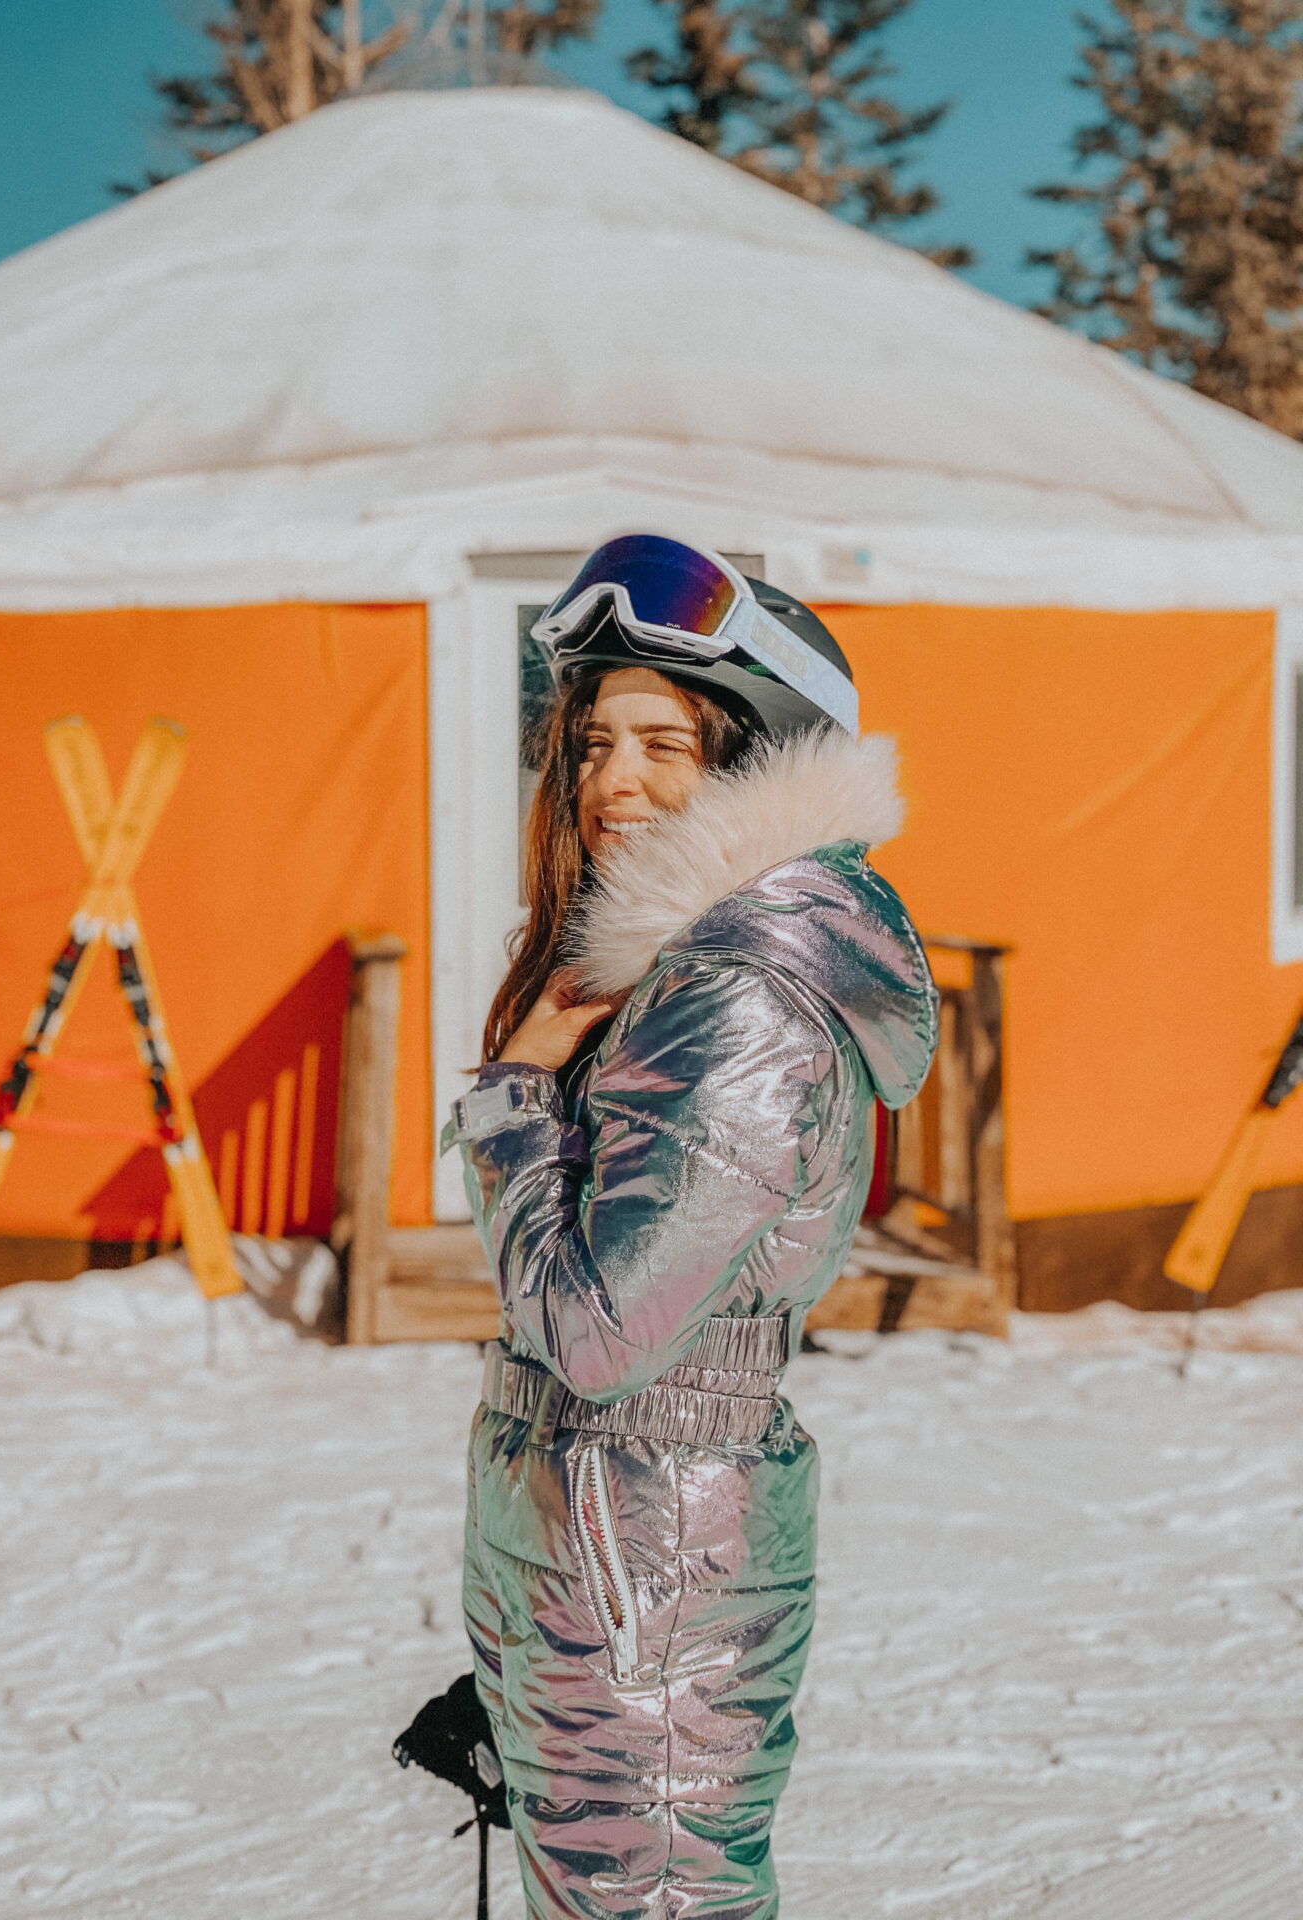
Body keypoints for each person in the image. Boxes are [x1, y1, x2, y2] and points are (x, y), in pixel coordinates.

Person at [443, 535, 938, 1918]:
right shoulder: (674, 975)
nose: (610, 784)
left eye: (664, 744)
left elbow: (600, 1335)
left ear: (754, 759)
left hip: (645, 1565)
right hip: (609, 1553)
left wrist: (515, 1100)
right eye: (593, 743)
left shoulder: (737, 1000)